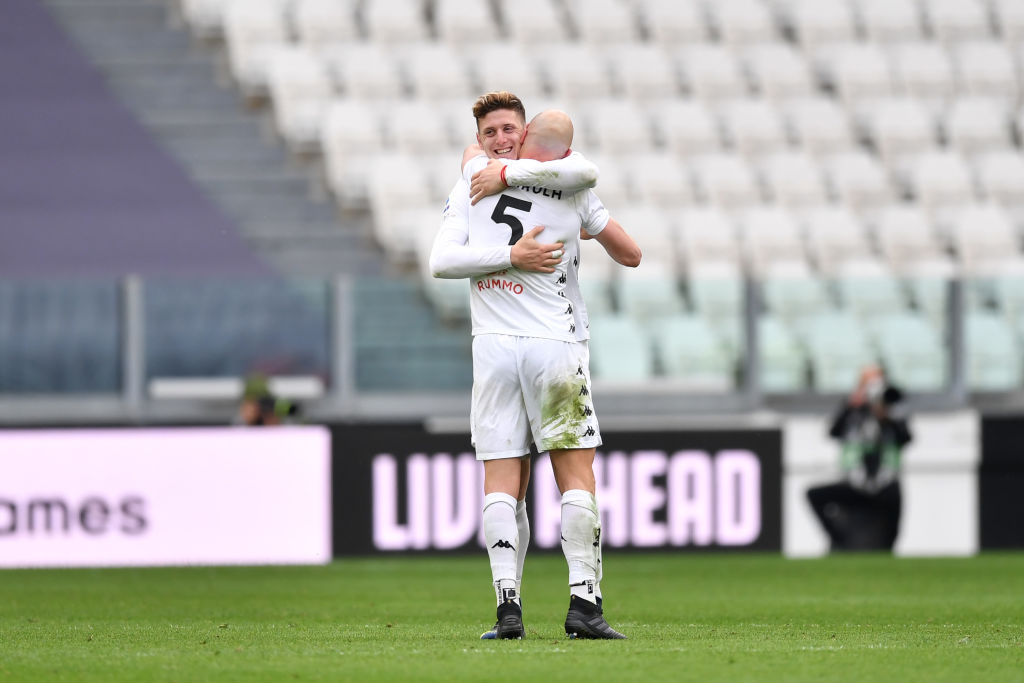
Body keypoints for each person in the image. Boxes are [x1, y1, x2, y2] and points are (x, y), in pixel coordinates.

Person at [430, 91, 641, 640]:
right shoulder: (569, 184)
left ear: (522, 136)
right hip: (553, 344)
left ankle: (508, 611)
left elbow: (448, 260)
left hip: (495, 349)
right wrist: (517, 254)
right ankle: (583, 605)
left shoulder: (475, 179)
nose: (500, 138)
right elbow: (631, 253)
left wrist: (497, 177)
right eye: (491, 132)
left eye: (508, 130)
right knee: (573, 474)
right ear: (482, 140)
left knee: (502, 480)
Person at [807, 364, 911, 552]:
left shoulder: (893, 407)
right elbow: (834, 431)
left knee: (894, 513)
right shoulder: (854, 409)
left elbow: (906, 438)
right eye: (868, 382)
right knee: (815, 494)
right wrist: (851, 405)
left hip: (886, 483)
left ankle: (888, 549)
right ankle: (838, 540)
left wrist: (886, 415)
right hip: (854, 482)